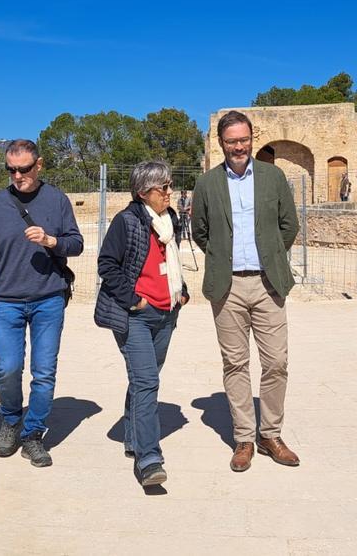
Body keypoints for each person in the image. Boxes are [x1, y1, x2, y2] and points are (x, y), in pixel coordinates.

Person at [192, 110, 300, 472]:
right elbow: (200, 232)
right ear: (221, 143)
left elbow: (289, 225)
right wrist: (223, 259)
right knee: (235, 363)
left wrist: (269, 256)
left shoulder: (273, 177)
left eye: (244, 139)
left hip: (269, 283)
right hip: (228, 286)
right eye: (231, 141)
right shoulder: (207, 184)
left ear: (252, 138)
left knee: (277, 362)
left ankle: (270, 433)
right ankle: (244, 438)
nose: (238, 146)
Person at [0, 139, 84, 467]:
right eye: (11, 170)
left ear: (39, 165)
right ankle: (11, 420)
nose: (17, 175)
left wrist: (51, 240)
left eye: (23, 169)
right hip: (6, 298)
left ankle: (33, 433)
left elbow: (76, 244)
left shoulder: (57, 200)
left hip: (48, 298)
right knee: (7, 368)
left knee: (44, 371)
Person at [94, 161, 190, 487]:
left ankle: (133, 435)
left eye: (169, 185)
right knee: (147, 381)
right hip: (135, 315)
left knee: (143, 379)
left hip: (167, 313)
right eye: (162, 188)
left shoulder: (169, 219)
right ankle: (149, 458)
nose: (169, 192)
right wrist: (132, 299)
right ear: (143, 192)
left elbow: (171, 258)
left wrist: (182, 291)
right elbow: (107, 264)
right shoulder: (126, 221)